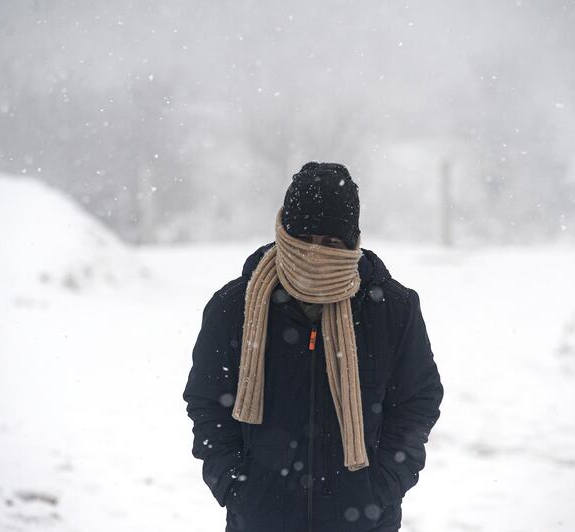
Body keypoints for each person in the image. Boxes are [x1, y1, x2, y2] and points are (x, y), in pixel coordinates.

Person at [182, 161, 444, 532]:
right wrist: (237, 486)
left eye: (331, 243)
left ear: (352, 243)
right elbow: (208, 402)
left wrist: (381, 486)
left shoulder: (392, 309)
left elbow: (418, 401)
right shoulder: (234, 308)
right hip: (262, 520)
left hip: (363, 522)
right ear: (284, 235)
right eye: (303, 239)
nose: (314, 254)